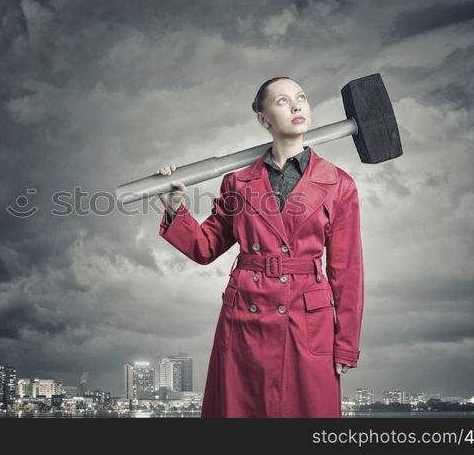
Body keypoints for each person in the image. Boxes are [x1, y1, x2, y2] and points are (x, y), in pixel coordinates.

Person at [156, 77, 364, 418]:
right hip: (244, 318)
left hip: (307, 321)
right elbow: (205, 247)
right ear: (263, 119)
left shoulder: (339, 184)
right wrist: (174, 209)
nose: (297, 105)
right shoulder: (236, 183)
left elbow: (347, 272)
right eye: (282, 101)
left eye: (301, 97)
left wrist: (346, 346)